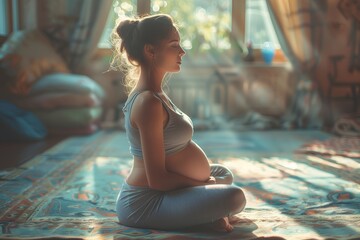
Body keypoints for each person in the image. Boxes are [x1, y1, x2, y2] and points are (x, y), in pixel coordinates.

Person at [113, 13, 246, 232]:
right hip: (146, 202)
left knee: (223, 174)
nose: (182, 51)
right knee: (235, 196)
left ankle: (206, 215)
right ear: (150, 50)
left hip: (168, 192)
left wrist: (205, 181)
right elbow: (157, 179)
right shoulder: (148, 102)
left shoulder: (157, 95)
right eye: (174, 45)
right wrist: (202, 185)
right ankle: (207, 217)